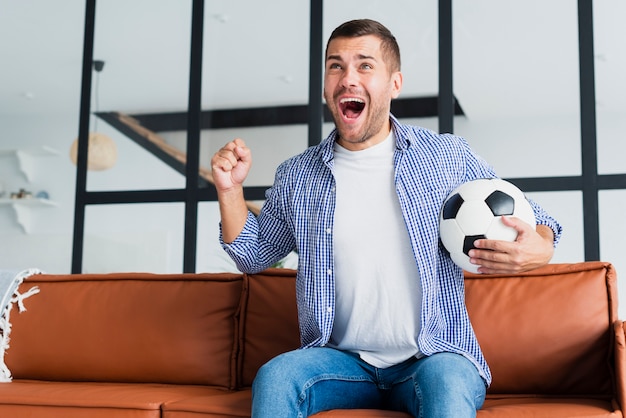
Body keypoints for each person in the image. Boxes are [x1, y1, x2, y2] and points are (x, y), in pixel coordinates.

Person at [211, 18, 561, 418]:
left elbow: (538, 220)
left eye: (364, 65)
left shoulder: (445, 156)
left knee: (447, 386)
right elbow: (252, 255)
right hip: (339, 362)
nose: (347, 78)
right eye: (335, 66)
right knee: (276, 377)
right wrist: (229, 190)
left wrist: (542, 246)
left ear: (394, 83)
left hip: (433, 357)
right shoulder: (297, 174)